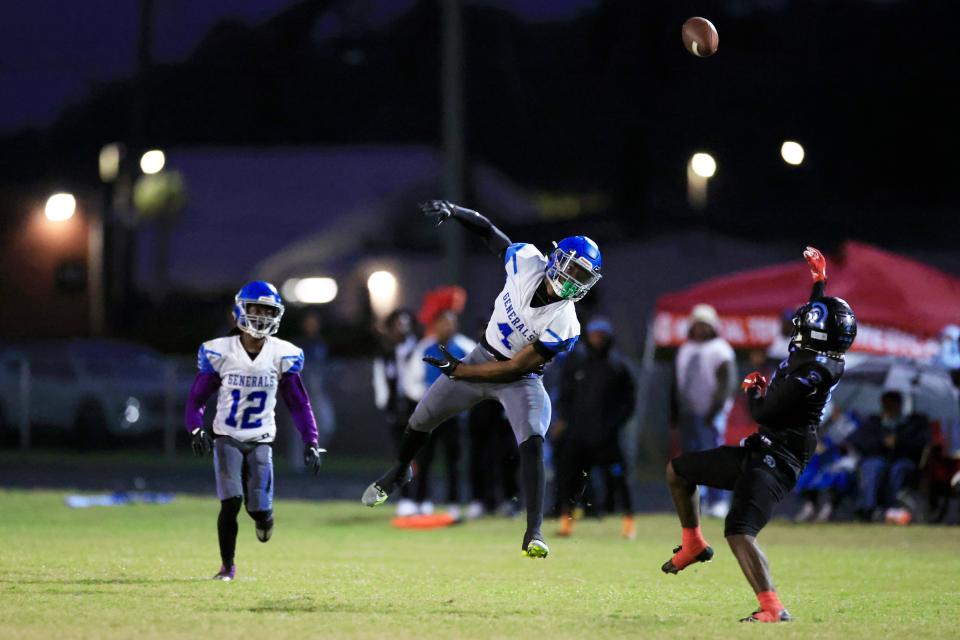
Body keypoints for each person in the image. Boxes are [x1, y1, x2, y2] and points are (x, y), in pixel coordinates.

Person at [361, 200, 602, 558]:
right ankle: (399, 472)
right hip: (480, 356)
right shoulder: (526, 263)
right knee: (421, 419)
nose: (573, 281)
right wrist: (456, 212)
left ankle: (534, 531)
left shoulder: (566, 322)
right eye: (573, 270)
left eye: (583, 277)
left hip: (519, 379)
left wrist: (460, 371)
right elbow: (489, 231)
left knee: (533, 439)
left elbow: (516, 368)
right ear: (556, 260)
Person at [662, 247, 857, 623]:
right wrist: (820, 280)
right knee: (679, 471)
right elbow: (817, 319)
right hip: (763, 449)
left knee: (739, 531)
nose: (800, 324)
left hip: (779, 460)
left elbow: (763, 411)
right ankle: (693, 543)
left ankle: (772, 606)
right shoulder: (819, 351)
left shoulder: (813, 371)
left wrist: (753, 386)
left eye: (808, 321)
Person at [185, 281, 324, 581]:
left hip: (261, 439)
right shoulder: (221, 351)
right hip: (227, 437)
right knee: (231, 501)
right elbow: (197, 398)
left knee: (258, 509)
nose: (261, 316)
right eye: (256, 309)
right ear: (240, 311)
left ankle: (265, 518)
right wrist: (196, 429)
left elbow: (299, 404)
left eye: (267, 310)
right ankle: (227, 567)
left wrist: (311, 440)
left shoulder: (282, 354)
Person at [553, 317, 636, 539]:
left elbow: (629, 403)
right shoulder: (576, 361)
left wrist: (613, 425)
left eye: (601, 336)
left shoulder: (619, 366)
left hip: (607, 437)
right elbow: (565, 394)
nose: (597, 340)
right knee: (570, 479)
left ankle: (629, 524)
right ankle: (565, 524)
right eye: (593, 335)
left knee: (619, 479)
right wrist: (564, 420)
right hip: (578, 435)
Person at [406, 307, 477, 518]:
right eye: (443, 322)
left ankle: (454, 503)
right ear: (435, 325)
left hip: (455, 414)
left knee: (453, 460)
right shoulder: (424, 348)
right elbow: (410, 381)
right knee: (424, 458)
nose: (447, 326)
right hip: (430, 414)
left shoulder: (466, 347)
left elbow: (480, 377)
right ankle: (421, 501)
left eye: (451, 321)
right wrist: (426, 396)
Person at [670, 303, 737, 517]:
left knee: (714, 455)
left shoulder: (720, 349)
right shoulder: (685, 349)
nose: (700, 329)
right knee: (692, 458)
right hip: (688, 413)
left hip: (711, 413)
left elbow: (727, 383)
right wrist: (674, 414)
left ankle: (719, 500)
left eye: (705, 325)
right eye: (697, 324)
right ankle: (698, 500)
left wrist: (715, 410)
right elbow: (676, 384)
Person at [847, 390, 930, 522]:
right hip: (876, 459)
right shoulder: (873, 422)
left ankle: (892, 506)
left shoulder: (913, 424)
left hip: (902, 461)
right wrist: (882, 442)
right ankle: (868, 508)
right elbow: (859, 442)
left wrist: (899, 442)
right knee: (872, 466)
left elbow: (919, 445)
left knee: (897, 469)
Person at [372, 308, 420, 516]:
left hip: (416, 408)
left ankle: (421, 497)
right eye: (397, 325)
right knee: (402, 457)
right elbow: (381, 380)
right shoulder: (385, 353)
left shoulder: (418, 349)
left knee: (419, 455)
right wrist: (386, 404)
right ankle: (407, 497)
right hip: (396, 411)